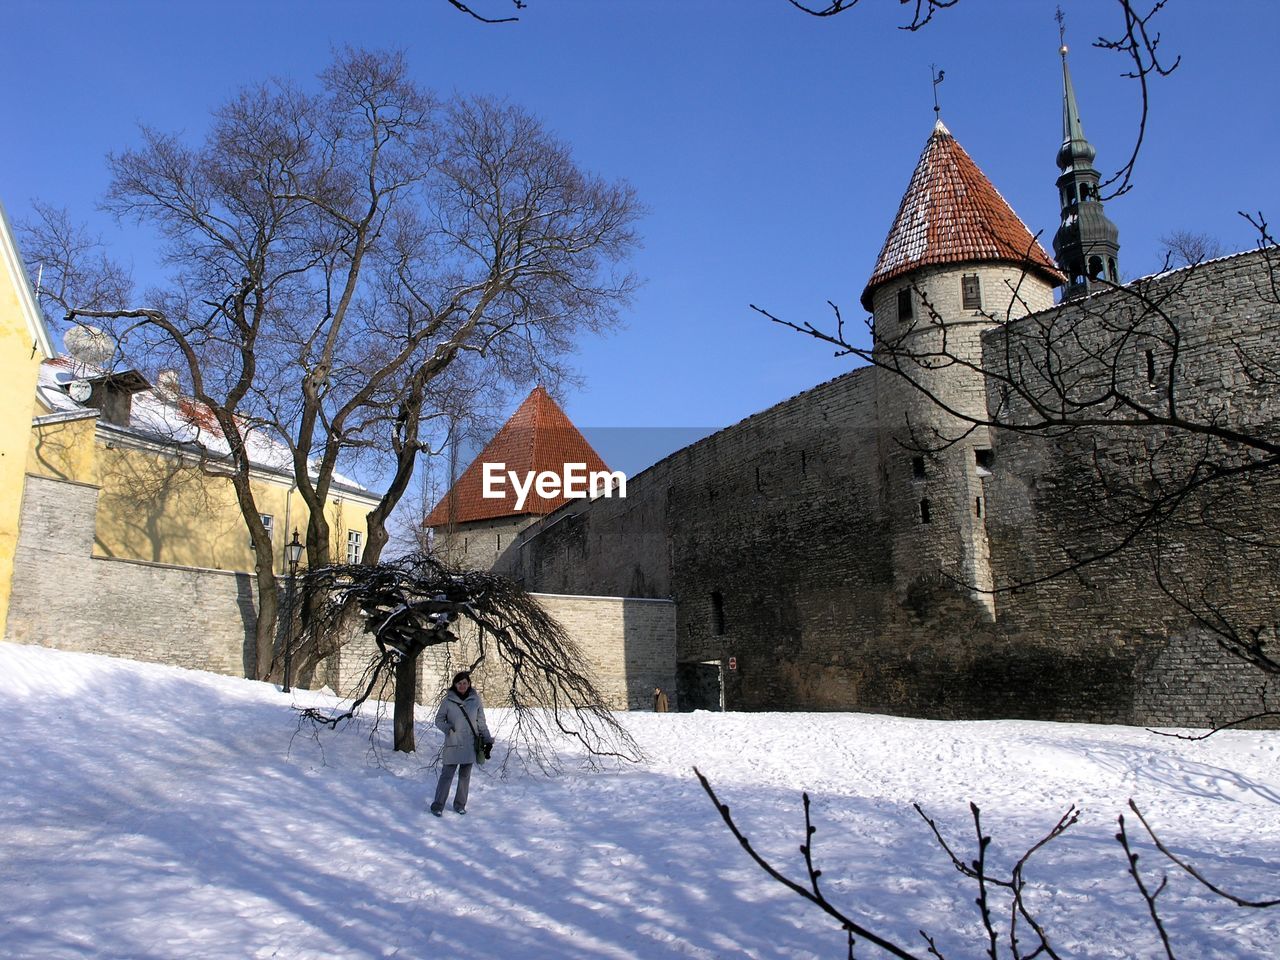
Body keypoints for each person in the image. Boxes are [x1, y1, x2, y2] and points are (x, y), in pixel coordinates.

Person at [431, 671, 493, 817]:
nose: (462, 686)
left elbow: (481, 722)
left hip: (470, 744)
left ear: (469, 684)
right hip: (453, 742)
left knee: (465, 777)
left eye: (465, 683)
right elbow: (439, 720)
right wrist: (448, 729)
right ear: (455, 685)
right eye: (459, 683)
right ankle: (438, 805)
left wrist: (488, 739)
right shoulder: (448, 701)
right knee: (447, 775)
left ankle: (460, 804)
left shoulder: (475, 700)